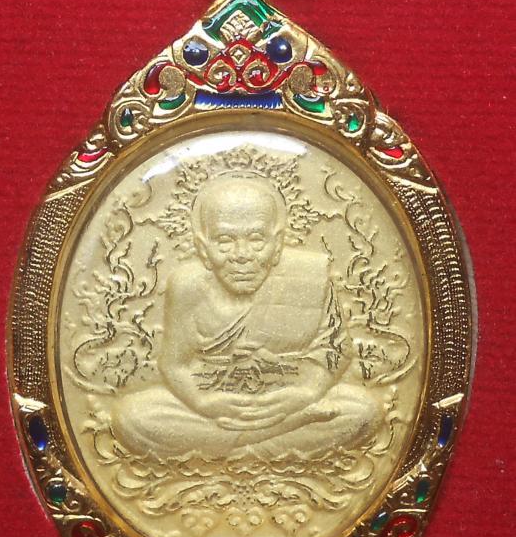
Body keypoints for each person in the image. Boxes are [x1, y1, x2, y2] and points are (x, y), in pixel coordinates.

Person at [112, 173, 383, 458]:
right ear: (203, 248)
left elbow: (336, 350)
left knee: (364, 411)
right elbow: (174, 365)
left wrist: (305, 394)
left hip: (287, 400)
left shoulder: (308, 277)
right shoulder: (187, 286)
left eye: (256, 239)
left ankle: (227, 447)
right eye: (224, 241)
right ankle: (274, 438)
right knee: (131, 417)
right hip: (215, 406)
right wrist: (204, 403)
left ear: (276, 244)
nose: (241, 254)